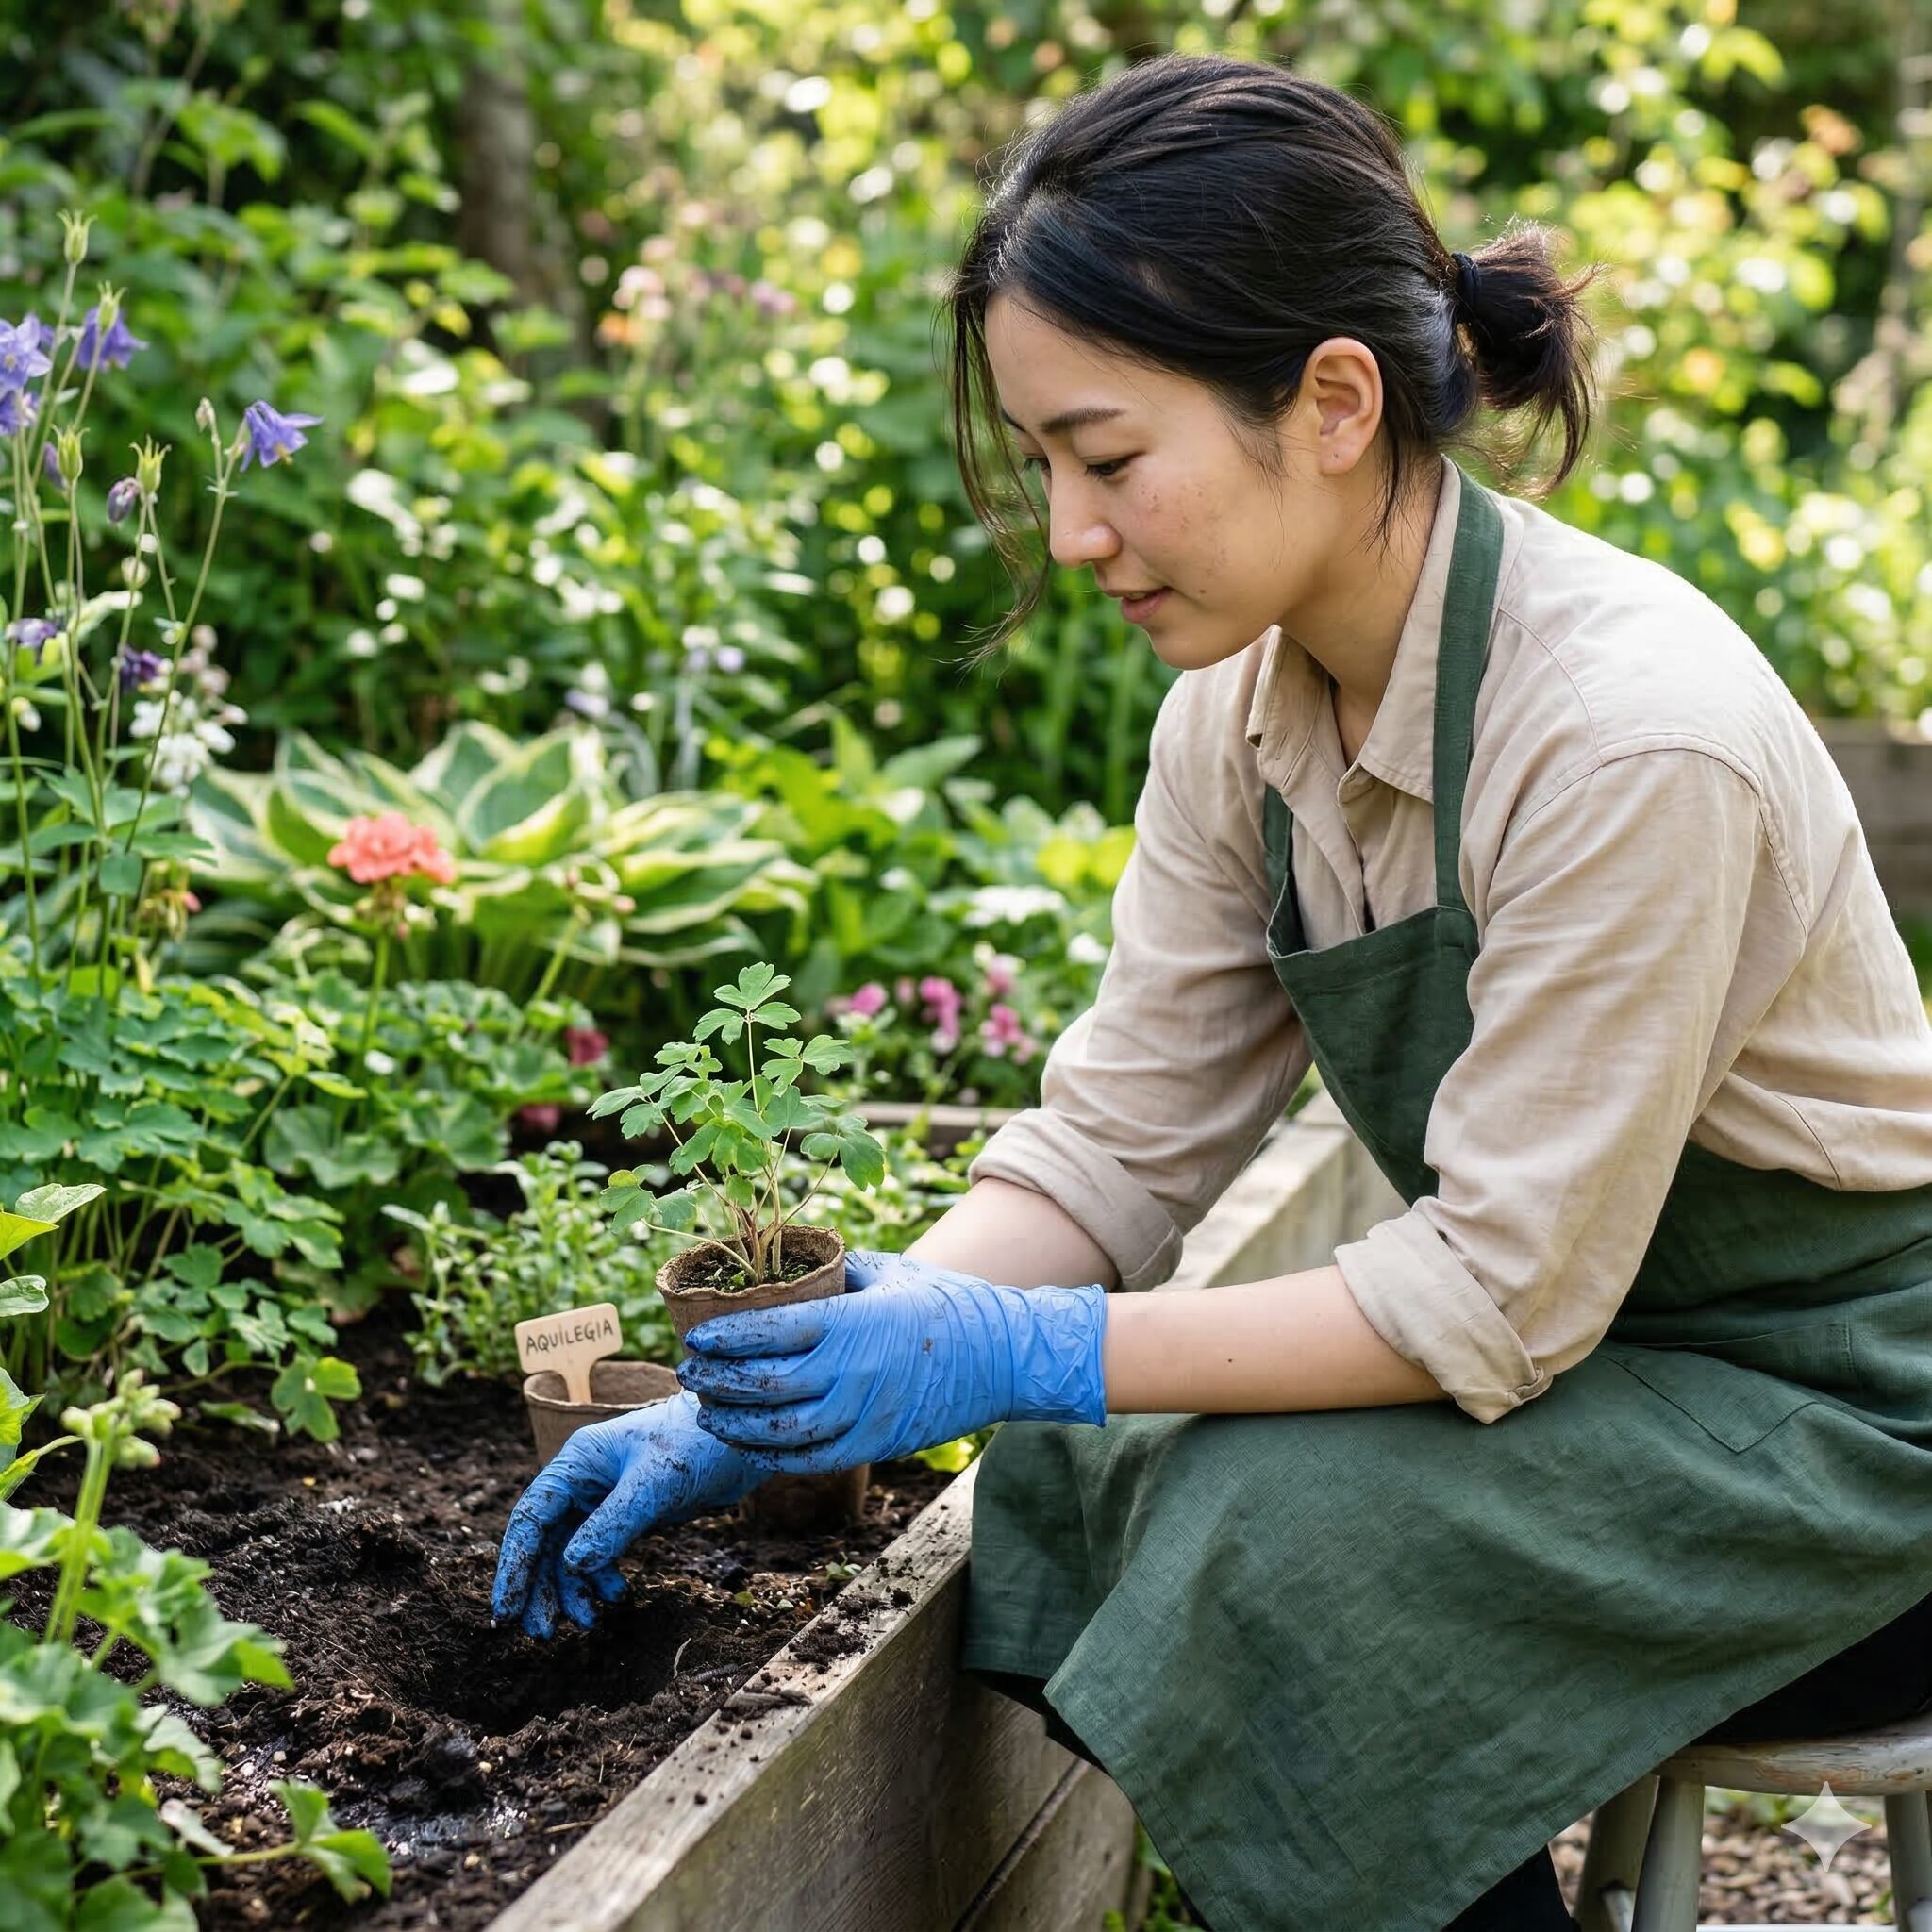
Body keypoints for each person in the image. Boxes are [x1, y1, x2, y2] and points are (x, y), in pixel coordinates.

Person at [493, 51, 1932, 1931]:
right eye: (1042, 469)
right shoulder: (1237, 723)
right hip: (1604, 1379)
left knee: (1283, 1550)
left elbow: (1493, 1294)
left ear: (1333, 400)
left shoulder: (1622, 739)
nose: (1074, 533)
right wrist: (809, 1366)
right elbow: (1113, 1146)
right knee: (1071, 1497)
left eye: (1108, 457)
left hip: (1849, 1433)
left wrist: (1010, 1355)